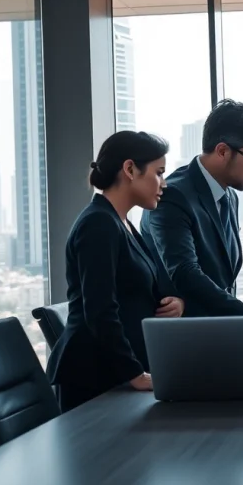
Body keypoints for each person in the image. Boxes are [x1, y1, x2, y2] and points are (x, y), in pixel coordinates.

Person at [141, 99, 243, 348]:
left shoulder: (229, 197)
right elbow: (185, 272)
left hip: (219, 339)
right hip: (181, 344)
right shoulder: (173, 196)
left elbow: (223, 281)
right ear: (223, 151)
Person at [46, 131, 185, 412]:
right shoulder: (98, 224)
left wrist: (175, 302)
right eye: (159, 173)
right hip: (96, 377)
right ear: (130, 169)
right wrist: (135, 374)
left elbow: (140, 288)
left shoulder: (121, 223)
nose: (164, 183)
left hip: (116, 373)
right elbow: (100, 311)